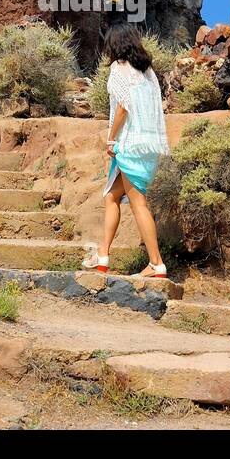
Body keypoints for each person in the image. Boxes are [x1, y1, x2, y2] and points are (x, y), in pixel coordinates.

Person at [85, 23, 171, 278]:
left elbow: (122, 107)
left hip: (129, 145)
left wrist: (110, 140)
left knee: (138, 204)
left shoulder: (117, 69)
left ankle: (156, 264)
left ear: (114, 44)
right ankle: (103, 254)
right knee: (111, 196)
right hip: (148, 145)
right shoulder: (148, 72)